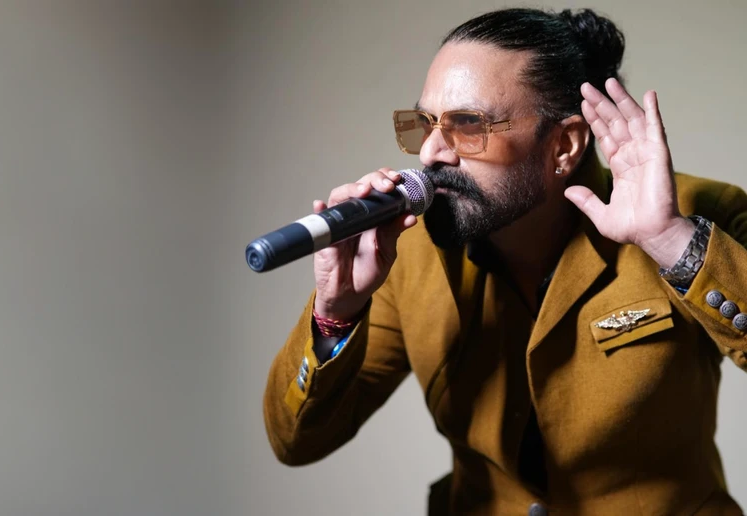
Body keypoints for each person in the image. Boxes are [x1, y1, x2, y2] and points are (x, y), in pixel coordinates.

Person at [262, 8, 747, 515]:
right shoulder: (405, 252)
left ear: (564, 146)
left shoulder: (693, 215)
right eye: (425, 124)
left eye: (468, 125)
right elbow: (296, 443)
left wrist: (671, 241)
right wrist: (336, 311)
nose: (430, 154)